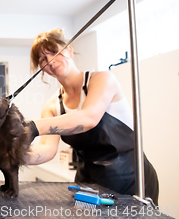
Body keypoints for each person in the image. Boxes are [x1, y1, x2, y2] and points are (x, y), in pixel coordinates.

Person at [25, 29, 159, 204]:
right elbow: (46, 151)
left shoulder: (102, 79)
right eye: (42, 59)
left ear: (69, 50)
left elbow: (88, 118)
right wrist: (12, 154)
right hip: (88, 182)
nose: (50, 61)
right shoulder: (52, 106)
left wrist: (34, 127)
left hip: (131, 179)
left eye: (54, 52)